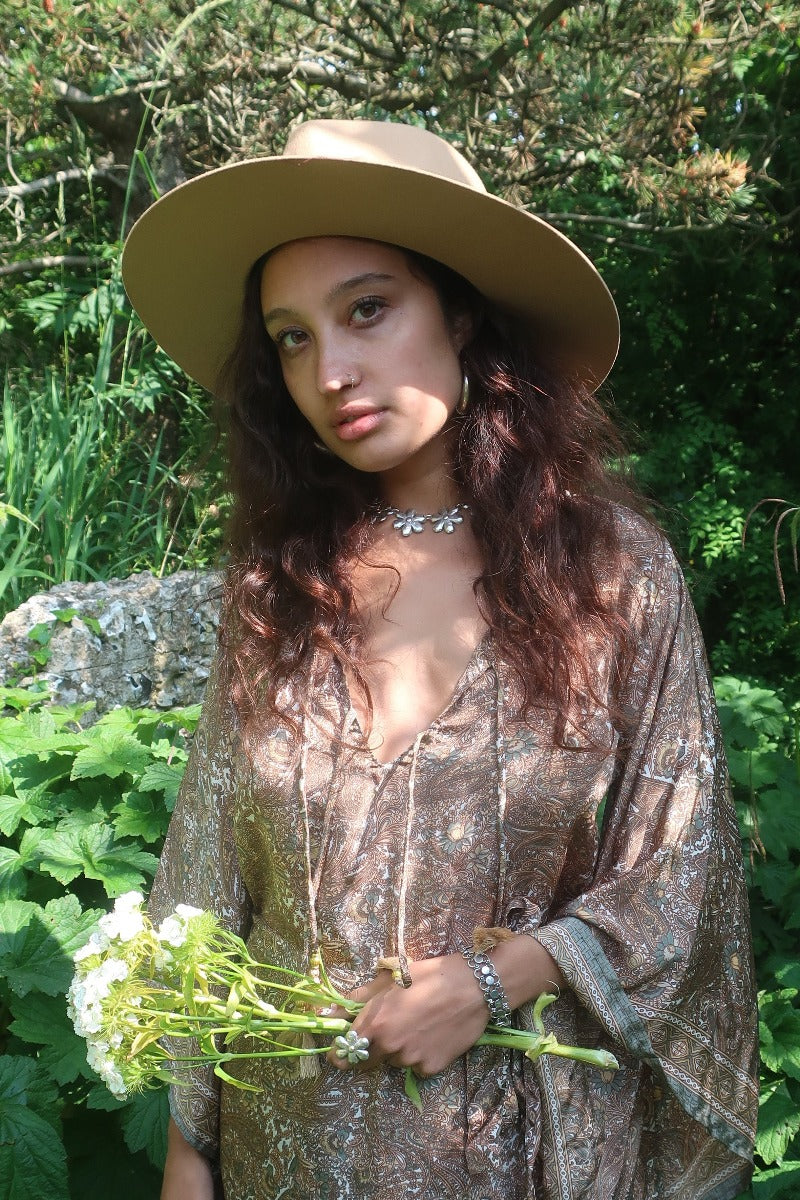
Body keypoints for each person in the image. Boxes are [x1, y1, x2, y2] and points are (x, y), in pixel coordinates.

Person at [122, 119, 759, 1200]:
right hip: (283, 1150)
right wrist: (190, 1156)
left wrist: (497, 978)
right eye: (289, 337)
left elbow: (680, 868)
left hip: (508, 1154)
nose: (329, 369)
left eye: (366, 308)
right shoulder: (278, 593)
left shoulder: (609, 576)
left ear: (459, 312)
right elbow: (208, 880)